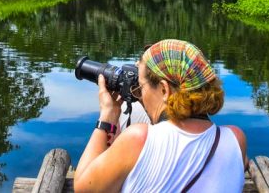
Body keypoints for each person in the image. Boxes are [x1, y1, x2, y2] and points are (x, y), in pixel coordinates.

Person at [74, 39, 248, 192]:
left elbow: (83, 188)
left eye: (140, 87)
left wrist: (107, 114)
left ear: (164, 89)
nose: (139, 94)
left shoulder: (137, 138)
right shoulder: (236, 138)